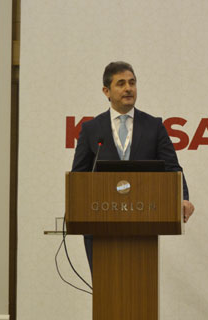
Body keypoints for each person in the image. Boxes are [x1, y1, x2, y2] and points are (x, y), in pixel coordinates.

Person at [71, 61, 195, 272]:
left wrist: (183, 198)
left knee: (139, 286)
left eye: (132, 82)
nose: (128, 88)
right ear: (106, 91)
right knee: (105, 287)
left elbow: (172, 167)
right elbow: (79, 175)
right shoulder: (91, 129)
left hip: (142, 224)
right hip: (100, 225)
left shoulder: (154, 126)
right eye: (121, 83)